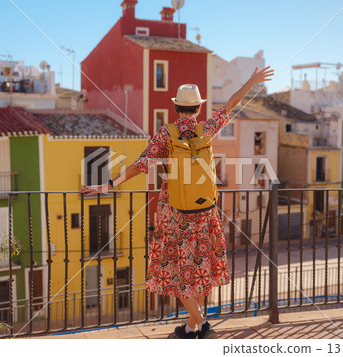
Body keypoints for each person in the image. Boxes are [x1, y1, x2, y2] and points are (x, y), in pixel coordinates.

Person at [81, 66, 274, 338]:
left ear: (177, 109)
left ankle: (199, 324)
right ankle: (192, 327)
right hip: (205, 209)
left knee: (175, 269)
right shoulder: (206, 128)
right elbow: (231, 104)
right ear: (197, 108)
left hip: (174, 212)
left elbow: (140, 165)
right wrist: (252, 81)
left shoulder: (165, 134)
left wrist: (109, 184)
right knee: (199, 267)